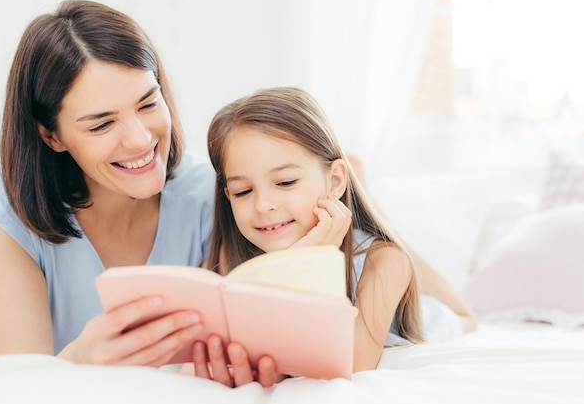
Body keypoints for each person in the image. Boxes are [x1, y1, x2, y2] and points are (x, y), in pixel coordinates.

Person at [0, 0, 276, 386]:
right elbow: (16, 385)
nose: (140, 140)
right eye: (101, 125)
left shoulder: (212, 192)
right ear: (52, 136)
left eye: (147, 103)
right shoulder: (8, 209)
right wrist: (78, 361)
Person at [195, 87, 476, 375]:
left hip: (434, 318)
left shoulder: (384, 262)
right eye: (243, 191)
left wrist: (312, 260)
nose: (263, 205)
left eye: (286, 182)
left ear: (335, 181)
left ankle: (369, 201)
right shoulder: (231, 258)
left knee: (465, 315)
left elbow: (350, 362)